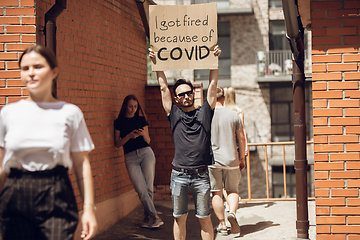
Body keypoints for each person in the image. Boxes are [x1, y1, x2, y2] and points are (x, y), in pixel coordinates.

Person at [0, 45, 97, 240]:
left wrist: (88, 209)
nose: (31, 73)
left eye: (37, 67)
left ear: (54, 72)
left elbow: (81, 163)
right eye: (25, 69)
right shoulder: (8, 114)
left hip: (56, 191)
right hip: (15, 192)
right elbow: (1, 165)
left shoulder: (70, 113)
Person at [149, 45, 221, 240]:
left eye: (188, 92)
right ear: (176, 98)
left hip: (201, 175)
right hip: (179, 174)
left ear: (193, 93)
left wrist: (214, 61)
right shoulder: (173, 113)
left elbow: (213, 86)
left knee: (204, 218)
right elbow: (163, 86)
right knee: (179, 218)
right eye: (181, 94)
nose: (186, 96)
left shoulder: (205, 112)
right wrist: (155, 63)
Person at [114, 95, 163, 229]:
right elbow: (117, 144)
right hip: (130, 158)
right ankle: (155, 216)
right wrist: (129, 136)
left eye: (135, 106)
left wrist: (142, 134)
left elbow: (148, 141)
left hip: (146, 153)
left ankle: (147, 217)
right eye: (130, 106)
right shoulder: (119, 122)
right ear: (125, 106)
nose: (133, 109)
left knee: (148, 188)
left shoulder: (141, 120)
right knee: (141, 189)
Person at [209, 86, 246, 235]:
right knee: (232, 190)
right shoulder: (233, 115)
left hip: (212, 160)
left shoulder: (206, 116)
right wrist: (241, 157)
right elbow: (241, 138)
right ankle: (232, 213)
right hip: (231, 159)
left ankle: (222, 224)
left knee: (216, 193)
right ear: (224, 98)